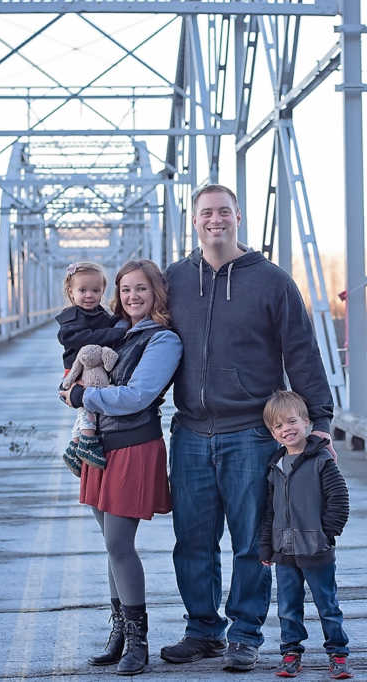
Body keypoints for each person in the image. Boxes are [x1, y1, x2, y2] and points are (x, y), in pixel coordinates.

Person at [161, 184, 335, 672]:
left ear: (238, 216)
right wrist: (88, 384)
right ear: (193, 220)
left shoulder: (273, 282)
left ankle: (244, 633)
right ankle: (202, 630)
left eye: (223, 211)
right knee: (191, 540)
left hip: (251, 433)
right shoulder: (173, 281)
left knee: (250, 542)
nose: (214, 220)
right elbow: (137, 340)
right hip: (191, 432)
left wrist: (318, 422)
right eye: (205, 213)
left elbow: (302, 352)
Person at [59, 259, 181, 676]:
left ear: (156, 294)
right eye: (126, 289)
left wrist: (81, 398)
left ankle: (138, 642)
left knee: (119, 544)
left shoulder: (162, 340)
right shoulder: (115, 332)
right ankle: (120, 634)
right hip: (99, 447)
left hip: (133, 446)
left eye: (141, 290)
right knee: (111, 545)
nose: (132, 297)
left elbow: (136, 397)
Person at [258, 391, 351, 680]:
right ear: (273, 433)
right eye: (278, 426)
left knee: (327, 603)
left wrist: (328, 533)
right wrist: (265, 547)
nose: (286, 429)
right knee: (287, 605)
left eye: (291, 421)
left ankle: (337, 653)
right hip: (284, 551)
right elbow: (269, 512)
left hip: (316, 548)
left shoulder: (322, 461)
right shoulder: (275, 467)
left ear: (307, 422)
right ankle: (291, 652)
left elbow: (340, 498)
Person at [55, 261, 128, 475]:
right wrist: (115, 333)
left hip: (93, 369)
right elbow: (79, 338)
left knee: (89, 406)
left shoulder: (100, 313)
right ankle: (86, 441)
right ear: (71, 292)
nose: (89, 295)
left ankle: (74, 445)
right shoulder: (71, 316)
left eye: (95, 290)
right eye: (82, 290)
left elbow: (109, 323)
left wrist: (124, 321)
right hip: (76, 371)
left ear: (103, 290)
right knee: (88, 404)